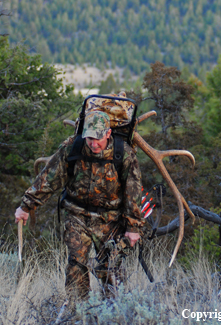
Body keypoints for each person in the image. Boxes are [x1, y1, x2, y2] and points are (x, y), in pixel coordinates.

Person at [14, 110, 144, 299]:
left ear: (108, 134)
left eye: (98, 138)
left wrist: (133, 227)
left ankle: (117, 311)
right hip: (76, 215)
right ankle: (77, 312)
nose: (93, 143)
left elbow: (133, 192)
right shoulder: (72, 147)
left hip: (109, 219)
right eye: (89, 138)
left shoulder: (123, 154)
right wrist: (26, 206)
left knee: (110, 269)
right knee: (76, 266)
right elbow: (49, 179)